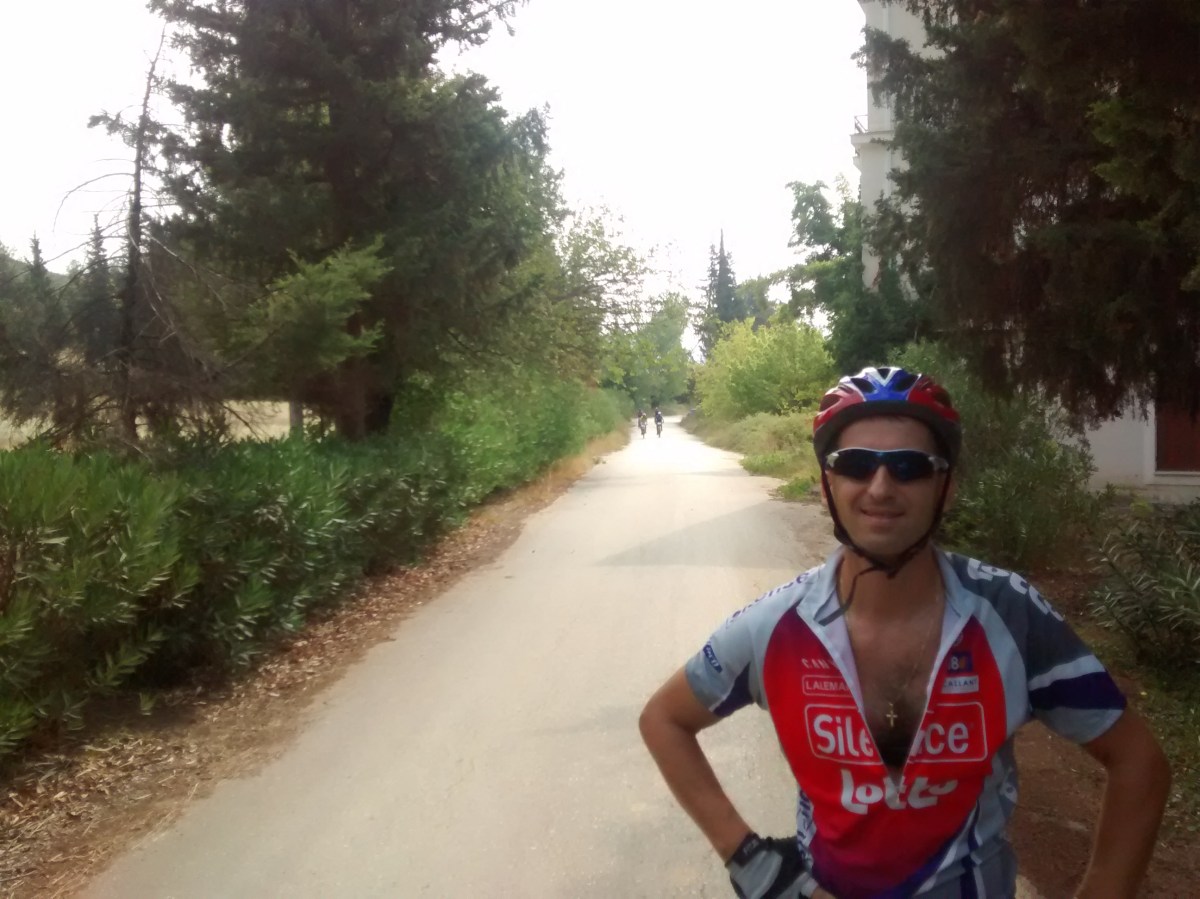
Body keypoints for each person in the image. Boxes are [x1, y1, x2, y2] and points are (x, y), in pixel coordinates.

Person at [639, 366, 1171, 899]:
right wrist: (751, 862)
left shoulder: (1010, 615)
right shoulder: (775, 626)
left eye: (909, 467)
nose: (880, 488)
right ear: (826, 485)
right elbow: (664, 719)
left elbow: (1138, 762)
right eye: (855, 464)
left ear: (947, 488)